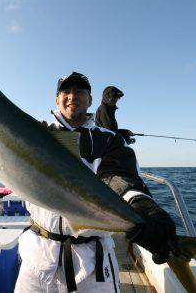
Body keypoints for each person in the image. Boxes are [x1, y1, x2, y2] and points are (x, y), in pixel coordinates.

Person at [14, 72, 178, 293]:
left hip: (93, 263)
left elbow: (119, 177)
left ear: (90, 100)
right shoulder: (35, 132)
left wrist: (142, 206)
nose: (72, 96)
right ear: (56, 100)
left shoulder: (108, 139)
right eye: (66, 91)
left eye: (80, 91)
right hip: (38, 257)